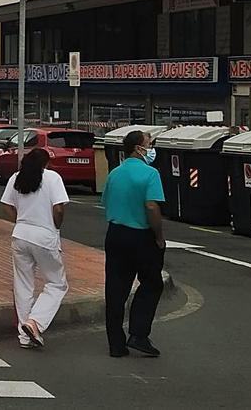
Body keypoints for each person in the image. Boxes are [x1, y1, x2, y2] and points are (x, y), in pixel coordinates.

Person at [102, 130, 166, 358]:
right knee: (152, 283)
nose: (151, 148)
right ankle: (138, 333)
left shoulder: (114, 174)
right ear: (138, 148)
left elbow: (106, 203)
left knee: (116, 289)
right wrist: (159, 236)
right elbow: (151, 207)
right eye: (149, 143)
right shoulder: (150, 174)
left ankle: (116, 344)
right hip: (141, 236)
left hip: (116, 233)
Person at [0, 147, 70, 349]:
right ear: (45, 163)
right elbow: (58, 207)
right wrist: (56, 225)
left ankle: (24, 336)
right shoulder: (52, 177)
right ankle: (35, 322)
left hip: (20, 234)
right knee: (57, 283)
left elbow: (6, 204)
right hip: (44, 236)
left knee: (22, 285)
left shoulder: (16, 177)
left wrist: (20, 220)